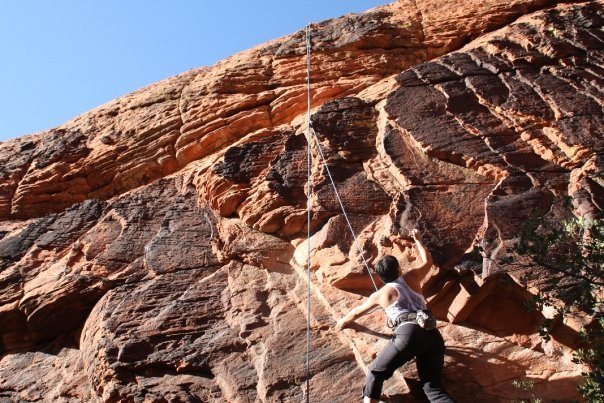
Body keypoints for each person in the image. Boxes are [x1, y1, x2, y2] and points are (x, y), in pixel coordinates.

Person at [336, 229, 455, 402]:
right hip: (432, 334)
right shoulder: (412, 276)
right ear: (399, 269)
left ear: (381, 276)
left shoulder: (380, 294)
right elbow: (428, 261)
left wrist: (342, 322)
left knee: (376, 372)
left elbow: (355, 313)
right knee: (433, 388)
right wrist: (418, 240)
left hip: (409, 333)